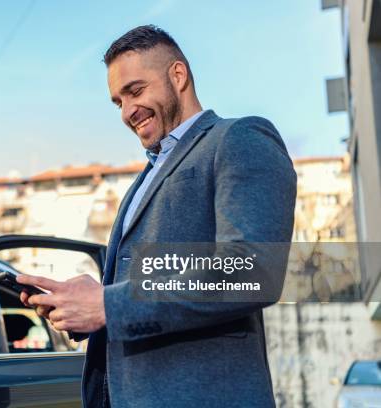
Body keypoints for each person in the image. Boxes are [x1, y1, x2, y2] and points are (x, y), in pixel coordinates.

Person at [17, 25, 296, 408]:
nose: (128, 111)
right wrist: (86, 301)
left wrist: (108, 305)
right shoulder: (144, 178)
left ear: (177, 76)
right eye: (118, 101)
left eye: (136, 91)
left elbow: (250, 272)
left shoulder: (238, 139)